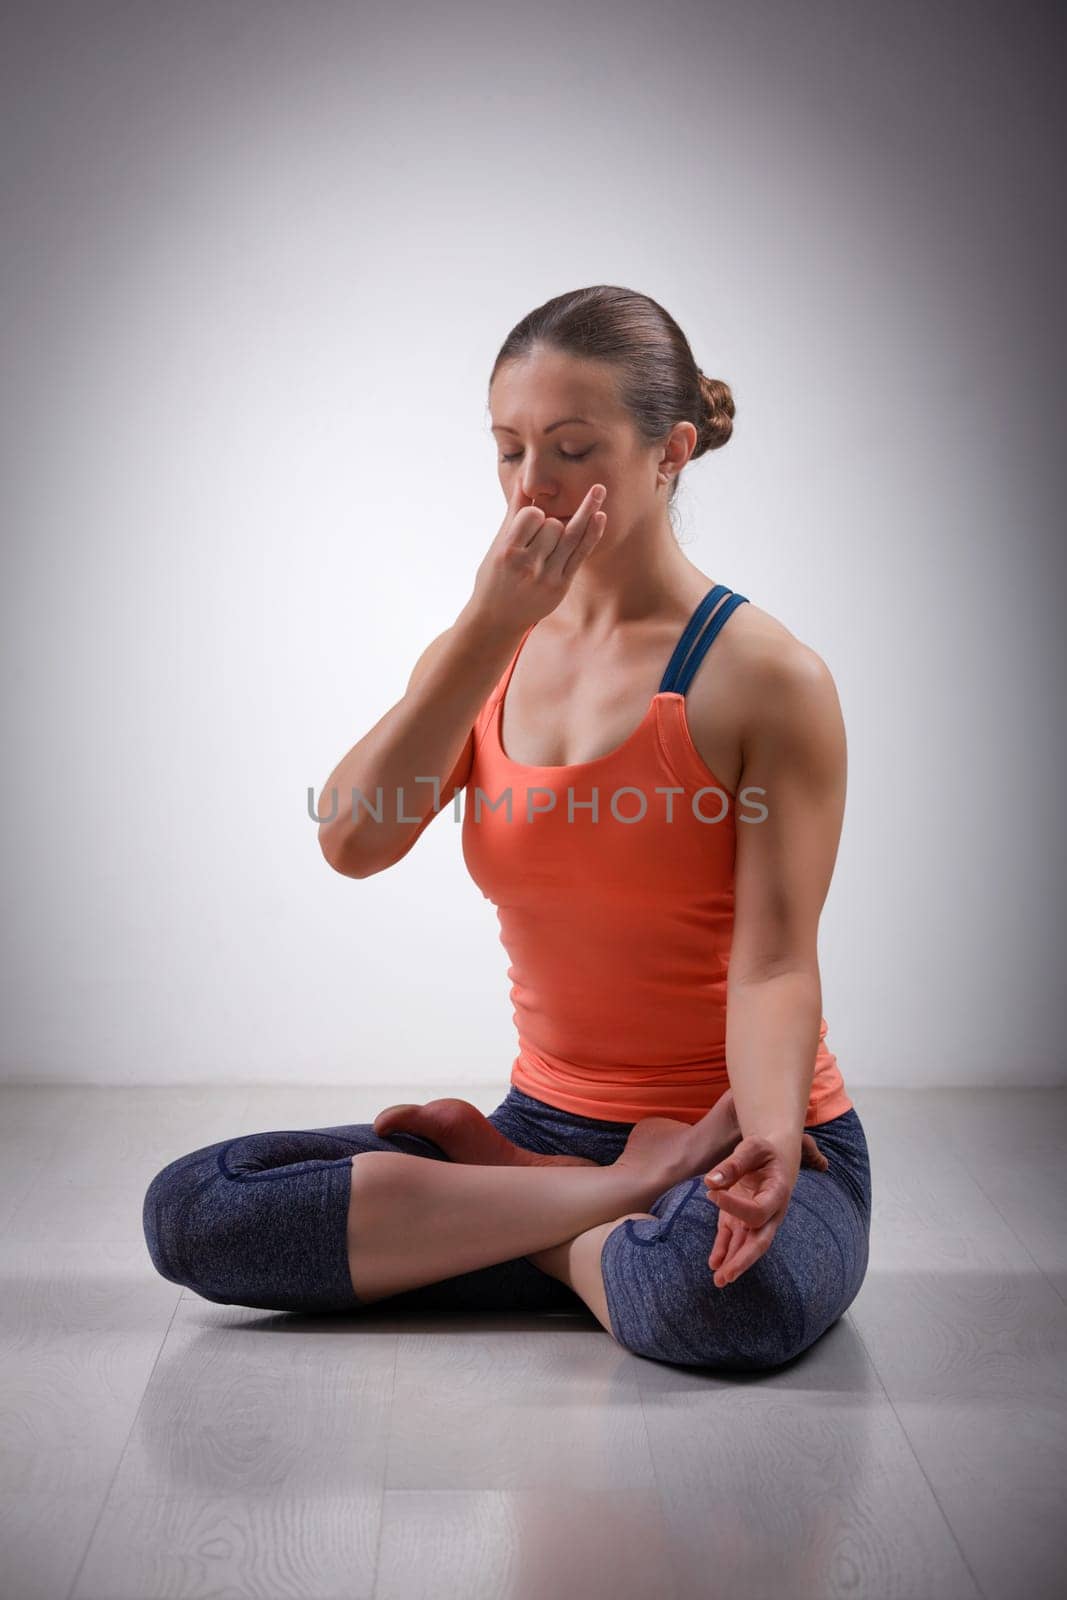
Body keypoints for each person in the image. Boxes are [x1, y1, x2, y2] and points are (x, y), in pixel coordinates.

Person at [143, 285, 871, 1371]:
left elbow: (772, 964)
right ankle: (601, 1202)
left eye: (572, 449)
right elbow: (353, 837)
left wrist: (766, 1133)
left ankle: (516, 1217)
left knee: (720, 1301)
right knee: (196, 1210)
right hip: (540, 1125)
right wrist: (488, 628)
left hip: (738, 1127)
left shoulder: (766, 678)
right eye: (509, 449)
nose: (532, 486)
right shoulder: (487, 646)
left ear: (669, 451)